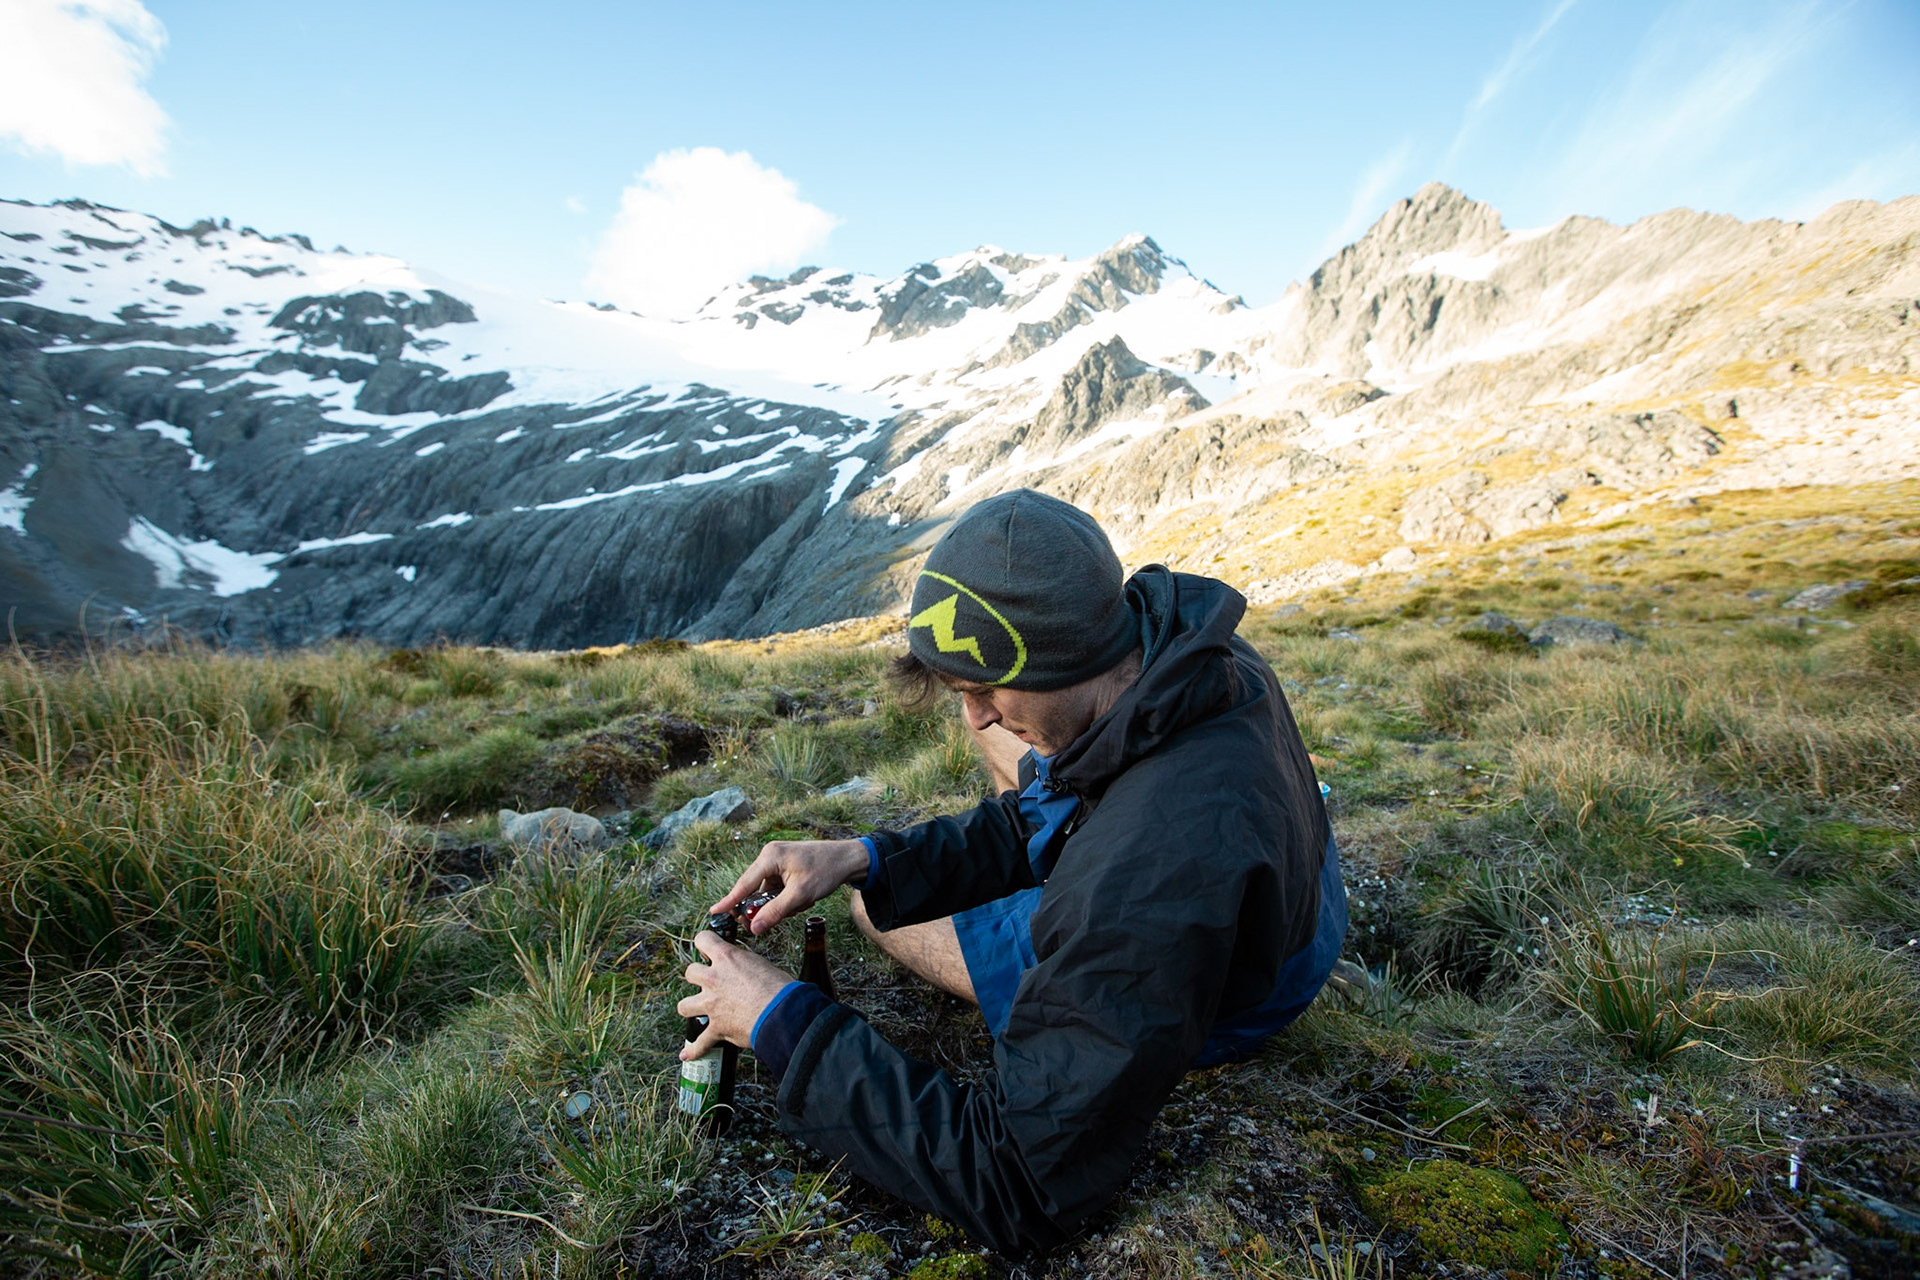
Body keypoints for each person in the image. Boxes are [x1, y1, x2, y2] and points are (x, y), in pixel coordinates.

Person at [679, 488, 1346, 1254]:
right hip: (1297, 914)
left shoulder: (1138, 879)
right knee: (905, 859)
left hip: (1236, 996)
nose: (974, 714)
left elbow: (1019, 1180)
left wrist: (778, 1019)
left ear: (1065, 657)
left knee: (872, 913)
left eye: (981, 688)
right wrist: (867, 856)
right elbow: (1050, 805)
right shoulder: (1185, 653)